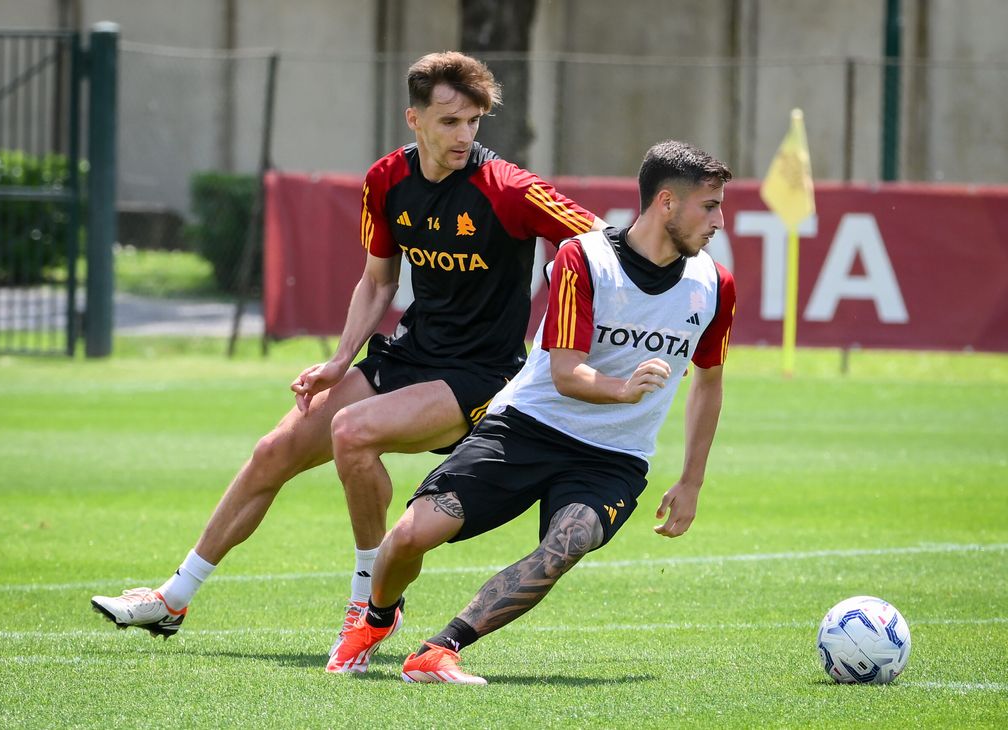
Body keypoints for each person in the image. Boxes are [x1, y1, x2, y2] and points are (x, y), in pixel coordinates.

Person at [90, 51, 606, 655]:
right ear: (412, 118)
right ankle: (173, 598)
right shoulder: (387, 180)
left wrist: (564, 327)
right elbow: (378, 282)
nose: (464, 134)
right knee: (273, 451)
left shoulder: (509, 188)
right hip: (409, 354)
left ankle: (371, 602)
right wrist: (339, 360)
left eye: (473, 121)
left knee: (353, 432)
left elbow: (601, 243)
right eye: (449, 121)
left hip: (481, 374)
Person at [326, 140, 735, 683]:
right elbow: (567, 373)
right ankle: (378, 617)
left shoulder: (714, 284)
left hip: (612, 458)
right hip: (526, 428)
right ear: (666, 202)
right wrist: (622, 389)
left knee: (569, 542)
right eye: (709, 206)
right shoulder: (584, 259)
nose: (720, 221)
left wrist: (692, 481)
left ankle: (439, 649)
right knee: (407, 538)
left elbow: (708, 383)